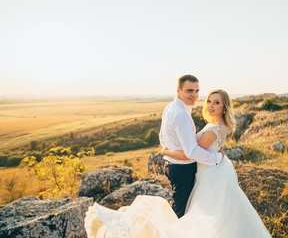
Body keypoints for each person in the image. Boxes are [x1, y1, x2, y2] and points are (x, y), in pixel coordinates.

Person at [84, 87, 272, 237]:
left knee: (210, 214)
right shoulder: (214, 125)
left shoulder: (216, 128)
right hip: (210, 170)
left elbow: (190, 153)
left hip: (212, 174)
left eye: (217, 102)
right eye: (209, 101)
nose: (211, 105)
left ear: (225, 107)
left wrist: (166, 151)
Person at [159, 74, 223, 218]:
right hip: (183, 170)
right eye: (189, 91)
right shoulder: (181, 114)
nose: (194, 95)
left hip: (173, 166)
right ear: (178, 90)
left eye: (197, 91)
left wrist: (168, 150)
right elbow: (192, 151)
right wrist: (217, 157)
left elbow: (162, 136)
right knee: (181, 214)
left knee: (183, 208)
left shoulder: (170, 107)